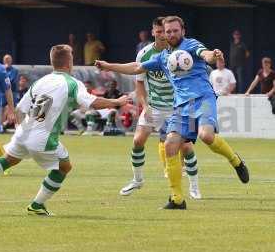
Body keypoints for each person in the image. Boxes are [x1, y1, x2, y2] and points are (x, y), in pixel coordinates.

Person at [0, 44, 128, 216]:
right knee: (64, 167)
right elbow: (92, 102)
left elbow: (20, 111)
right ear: (68, 63)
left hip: (24, 131)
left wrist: (22, 131)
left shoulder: (40, 81)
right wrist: (116, 102)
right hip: (43, 137)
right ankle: (37, 205)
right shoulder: (73, 83)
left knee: (8, 160)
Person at [96, 15, 249, 210]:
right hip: (181, 106)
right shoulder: (161, 57)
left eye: (175, 30)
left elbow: (205, 54)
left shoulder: (191, 44)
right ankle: (177, 199)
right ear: (164, 34)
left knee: (206, 135)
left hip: (202, 99)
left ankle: (236, 161)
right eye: (168, 31)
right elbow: (137, 67)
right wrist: (108, 65)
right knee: (170, 145)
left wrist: (214, 55)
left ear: (182, 31)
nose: (171, 34)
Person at [119, 17, 201, 199]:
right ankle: (137, 180)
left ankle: (194, 186)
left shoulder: (180, 52)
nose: (162, 35)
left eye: (165, 32)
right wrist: (145, 105)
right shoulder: (145, 54)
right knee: (138, 140)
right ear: (153, 32)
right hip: (155, 106)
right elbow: (139, 83)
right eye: (158, 32)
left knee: (186, 147)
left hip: (178, 106)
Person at [1, 54, 19, 131]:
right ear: (3, 60)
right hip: (1, 93)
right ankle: (0, 127)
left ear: (11, 61)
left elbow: (10, 81)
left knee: (12, 109)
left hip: (11, 93)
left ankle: (16, 127)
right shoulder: (0, 69)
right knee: (1, 110)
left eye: (9, 59)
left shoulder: (14, 70)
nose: (7, 60)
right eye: (6, 59)